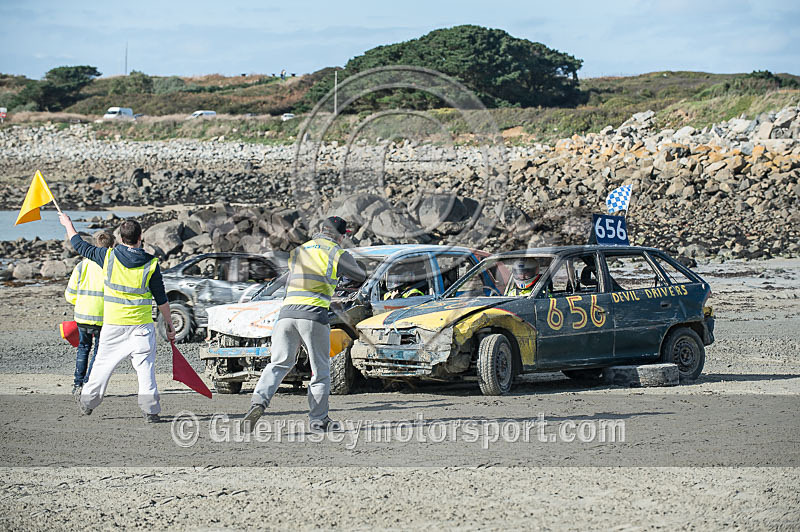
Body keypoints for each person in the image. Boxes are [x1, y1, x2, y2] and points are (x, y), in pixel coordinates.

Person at [242, 216, 366, 432]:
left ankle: (258, 402)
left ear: (320, 230)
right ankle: (319, 420)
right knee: (320, 370)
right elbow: (359, 275)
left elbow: (287, 278)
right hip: (314, 315)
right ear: (341, 235)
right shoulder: (337, 252)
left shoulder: (302, 250)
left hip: (286, 314)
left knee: (279, 363)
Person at [59, 214, 176, 423]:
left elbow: (79, 245)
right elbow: (161, 298)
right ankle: (150, 410)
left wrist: (68, 223)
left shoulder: (108, 257)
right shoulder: (151, 264)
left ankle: (87, 402)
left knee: (102, 366)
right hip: (141, 326)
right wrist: (169, 324)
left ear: (121, 238)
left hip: (113, 325)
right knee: (145, 368)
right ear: (140, 237)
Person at [64, 231, 114, 395]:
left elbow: (70, 293)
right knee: (98, 353)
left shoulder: (82, 266)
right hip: (103, 317)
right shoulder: (111, 266)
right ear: (112, 246)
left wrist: (81, 303)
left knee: (83, 349)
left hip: (83, 315)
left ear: (94, 245)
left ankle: (77, 384)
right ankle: (88, 383)